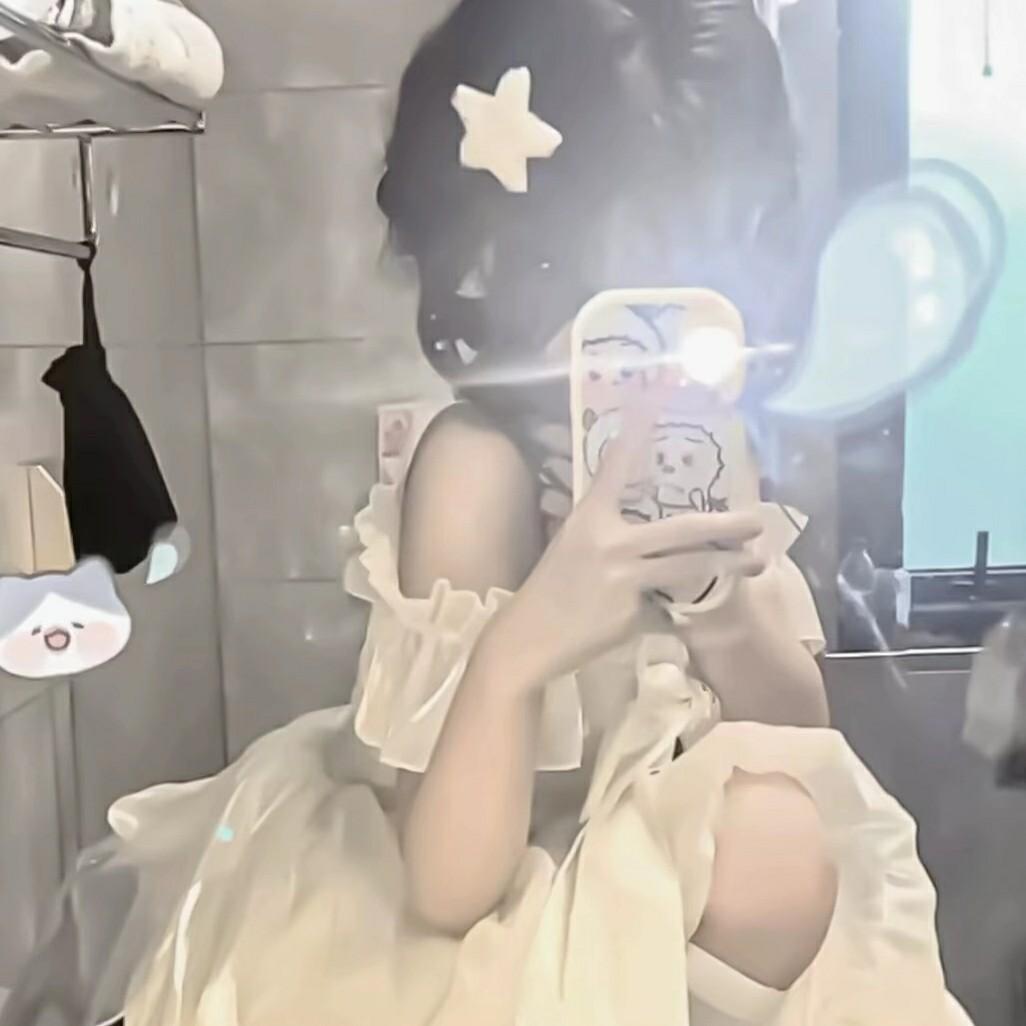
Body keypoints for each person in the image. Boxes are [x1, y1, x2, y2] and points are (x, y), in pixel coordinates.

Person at [0, 1, 973, 1024]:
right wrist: (528, 643)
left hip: (664, 894)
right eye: (613, 274)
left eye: (698, 266)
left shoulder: (700, 448)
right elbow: (446, 890)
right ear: (516, 255)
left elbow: (804, 744)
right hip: (477, 917)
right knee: (763, 848)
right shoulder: (479, 471)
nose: (645, 326)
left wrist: (716, 602)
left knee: (778, 836)